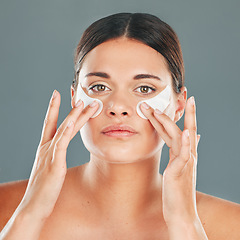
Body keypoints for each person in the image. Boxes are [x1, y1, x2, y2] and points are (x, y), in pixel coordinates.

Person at [0, 12, 239, 240]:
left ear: (179, 105)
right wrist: (30, 213)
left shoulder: (231, 225)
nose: (117, 107)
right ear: (74, 98)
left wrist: (184, 222)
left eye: (145, 89)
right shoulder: (6, 205)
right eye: (99, 87)